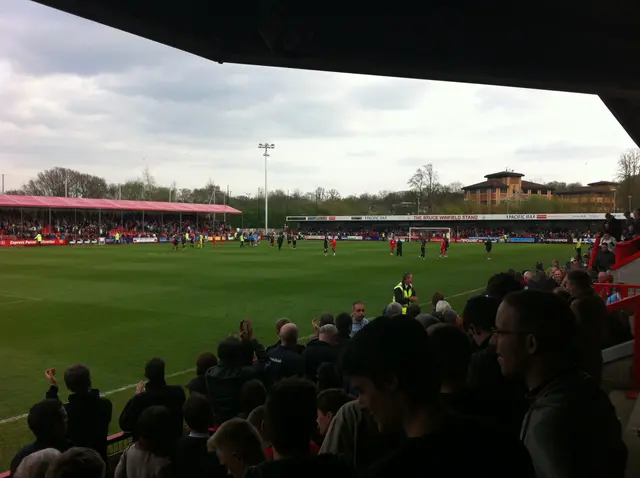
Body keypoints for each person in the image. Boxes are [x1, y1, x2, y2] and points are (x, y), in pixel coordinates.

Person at [340, 316, 534, 478]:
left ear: (390, 381)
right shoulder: (505, 447)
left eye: (362, 391)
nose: (361, 403)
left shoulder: (387, 473)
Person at [493, 290, 627, 478]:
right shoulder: (584, 388)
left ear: (531, 343)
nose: (494, 341)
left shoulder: (549, 425)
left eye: (500, 332)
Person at [44, 365, 113, 461]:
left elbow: (53, 408)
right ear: (89, 381)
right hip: (100, 460)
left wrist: (53, 385)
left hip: (76, 463)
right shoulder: (105, 404)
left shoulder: (67, 412)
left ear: (68, 386)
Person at [10, 399, 72, 475]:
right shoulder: (70, 453)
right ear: (56, 425)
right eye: (64, 417)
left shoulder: (20, 458)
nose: (67, 420)